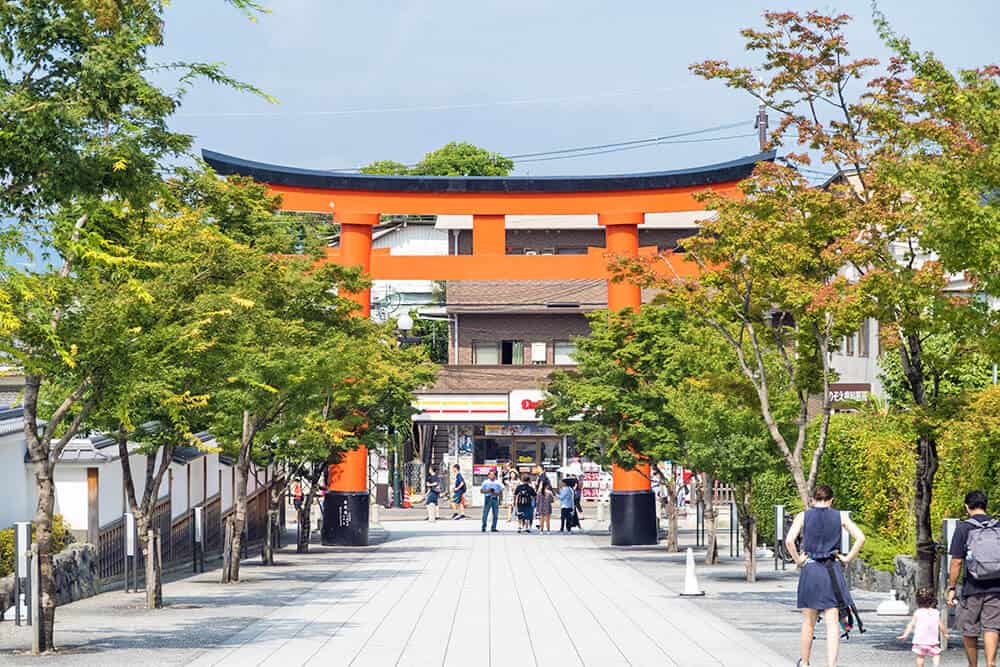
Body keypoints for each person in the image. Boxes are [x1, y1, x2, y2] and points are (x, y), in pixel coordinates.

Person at [784, 484, 865, 667]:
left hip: (811, 570)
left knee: (808, 622)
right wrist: (847, 558)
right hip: (831, 571)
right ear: (831, 500)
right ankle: (832, 665)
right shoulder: (840, 516)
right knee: (832, 624)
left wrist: (798, 560)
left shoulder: (803, 516)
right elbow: (860, 538)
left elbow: (789, 541)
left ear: (812, 499)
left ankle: (804, 662)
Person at [947, 489, 1000, 667]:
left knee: (970, 628)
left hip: (972, 588)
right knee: (992, 626)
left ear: (966, 507)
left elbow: (956, 562)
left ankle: (973, 665)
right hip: (996, 587)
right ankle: (991, 663)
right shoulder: (998, 526)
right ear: (985, 505)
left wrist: (952, 588)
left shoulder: (963, 528)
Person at [898, 586, 947, 666]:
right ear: (933, 601)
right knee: (936, 654)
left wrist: (905, 634)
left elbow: (911, 624)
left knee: (920, 656)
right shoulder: (935, 612)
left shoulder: (918, 612)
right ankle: (935, 665)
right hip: (932, 640)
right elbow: (940, 624)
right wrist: (945, 633)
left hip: (920, 640)